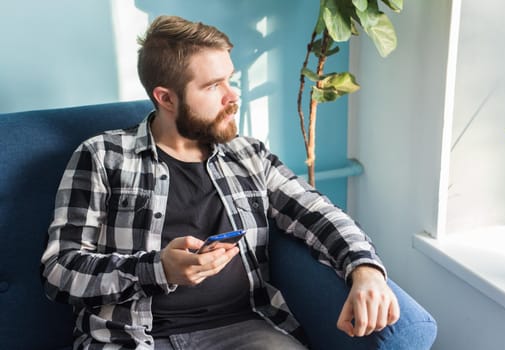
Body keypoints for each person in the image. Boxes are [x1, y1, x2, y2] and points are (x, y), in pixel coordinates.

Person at [41, 15, 399, 350]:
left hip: (245, 327)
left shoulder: (248, 155)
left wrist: (365, 269)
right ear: (165, 98)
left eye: (231, 79)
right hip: (131, 336)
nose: (233, 96)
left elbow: (318, 213)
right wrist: (159, 269)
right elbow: (59, 270)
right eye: (213, 86)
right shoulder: (103, 156)